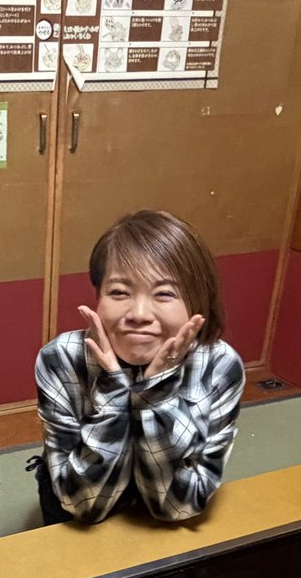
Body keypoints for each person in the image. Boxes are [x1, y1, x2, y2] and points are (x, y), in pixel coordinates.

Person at [33, 209, 244, 524]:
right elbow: (82, 505)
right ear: (98, 295)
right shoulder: (61, 358)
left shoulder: (218, 365)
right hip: (75, 512)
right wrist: (112, 389)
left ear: (197, 303)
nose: (140, 313)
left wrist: (157, 393)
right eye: (119, 292)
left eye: (164, 294)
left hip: (161, 525)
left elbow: (178, 506)